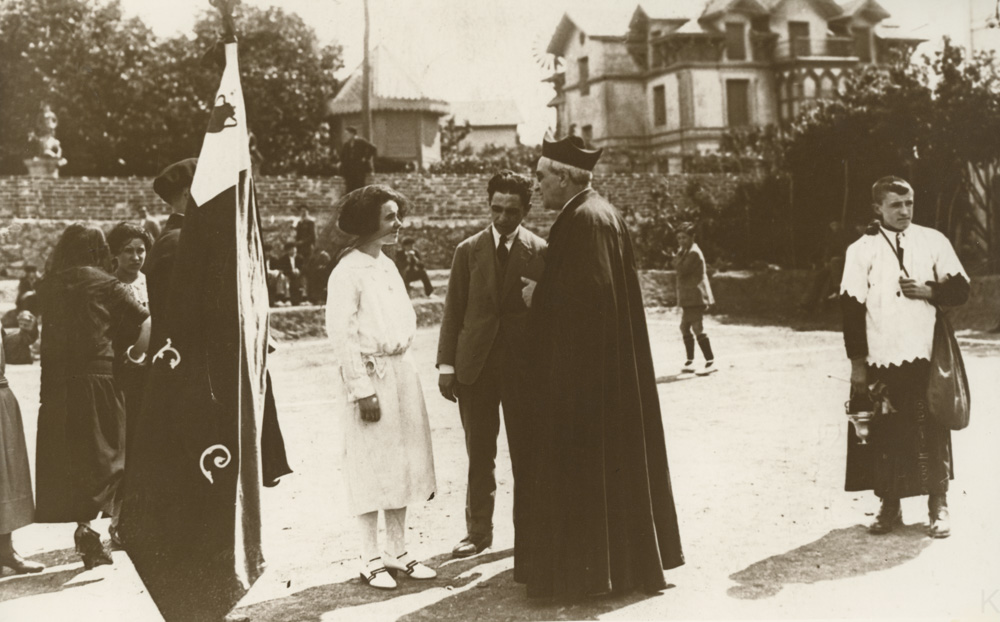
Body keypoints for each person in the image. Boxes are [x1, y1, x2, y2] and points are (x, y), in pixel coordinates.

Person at [517, 136, 684, 598]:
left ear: (567, 176)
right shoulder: (594, 213)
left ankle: (586, 576)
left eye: (542, 176)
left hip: (586, 379)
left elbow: (588, 300)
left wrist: (538, 297)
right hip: (603, 373)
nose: (536, 186)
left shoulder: (585, 221)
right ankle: (619, 568)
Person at [840, 176, 970, 538]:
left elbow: (961, 289)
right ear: (877, 208)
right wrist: (858, 366)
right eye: (895, 204)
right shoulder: (861, 250)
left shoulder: (933, 241)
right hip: (883, 358)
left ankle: (938, 505)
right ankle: (890, 505)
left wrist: (931, 290)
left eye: (909, 203)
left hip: (926, 355)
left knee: (932, 426)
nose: (904, 211)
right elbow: (850, 310)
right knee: (886, 431)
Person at [325, 185, 437, 590]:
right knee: (370, 465)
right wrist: (362, 389)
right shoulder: (347, 270)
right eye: (390, 217)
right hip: (371, 378)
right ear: (368, 222)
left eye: (396, 216)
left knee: (403, 463)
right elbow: (342, 334)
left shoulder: (387, 264)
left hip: (400, 373)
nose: (398, 224)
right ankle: (369, 556)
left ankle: (398, 550)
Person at [437, 170, 546, 560]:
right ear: (489, 205)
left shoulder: (541, 251)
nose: (502, 218)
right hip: (475, 368)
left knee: (527, 452)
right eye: (496, 209)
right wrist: (446, 365)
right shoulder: (468, 251)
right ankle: (478, 532)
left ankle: (530, 534)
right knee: (479, 452)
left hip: (523, 370)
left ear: (527, 210)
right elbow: (454, 310)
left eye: (511, 211)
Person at [34, 223, 149, 569]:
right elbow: (146, 322)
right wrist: (135, 355)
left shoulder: (49, 284)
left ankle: (85, 526)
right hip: (98, 377)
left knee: (73, 458)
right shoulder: (107, 283)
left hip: (57, 383)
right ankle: (92, 525)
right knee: (110, 455)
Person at [106, 221, 154, 546]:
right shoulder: (109, 287)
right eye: (128, 251)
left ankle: (150, 519)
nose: (136, 257)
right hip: (121, 375)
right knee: (126, 446)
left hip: (154, 373)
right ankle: (118, 522)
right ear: (115, 254)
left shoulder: (152, 283)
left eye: (140, 250)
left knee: (150, 444)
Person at [0, 328, 45, 575]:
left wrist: (23, 336)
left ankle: (5, 551)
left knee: (4, 479)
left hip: (0, 396)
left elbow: (8, 347)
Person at [673, 225, 717, 375]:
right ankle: (690, 361)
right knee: (684, 327)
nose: (681, 241)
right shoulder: (686, 252)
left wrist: (677, 256)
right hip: (689, 297)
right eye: (679, 238)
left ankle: (710, 361)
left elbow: (681, 270)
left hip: (696, 297)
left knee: (697, 328)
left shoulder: (693, 253)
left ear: (692, 237)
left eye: (684, 237)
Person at [339, 126, 377, 193]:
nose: (346, 136)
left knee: (359, 188)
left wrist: (366, 158)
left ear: (352, 134)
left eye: (347, 134)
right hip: (349, 171)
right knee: (349, 189)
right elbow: (342, 156)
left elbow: (373, 148)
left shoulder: (361, 141)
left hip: (359, 169)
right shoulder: (346, 144)